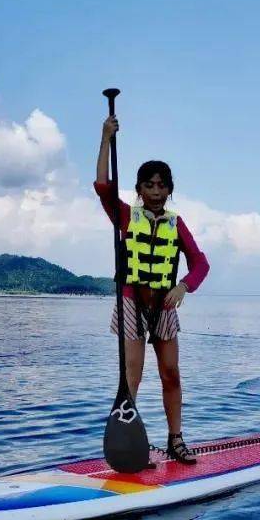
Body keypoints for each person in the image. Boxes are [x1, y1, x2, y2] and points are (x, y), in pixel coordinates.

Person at [96, 113, 210, 465]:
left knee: (171, 373)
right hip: (132, 301)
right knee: (132, 375)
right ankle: (131, 442)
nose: (156, 191)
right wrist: (105, 137)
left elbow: (201, 263)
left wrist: (183, 287)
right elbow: (102, 186)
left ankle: (176, 440)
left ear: (169, 189)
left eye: (162, 185)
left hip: (163, 305)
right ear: (140, 190)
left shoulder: (177, 225)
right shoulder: (128, 216)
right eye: (149, 185)